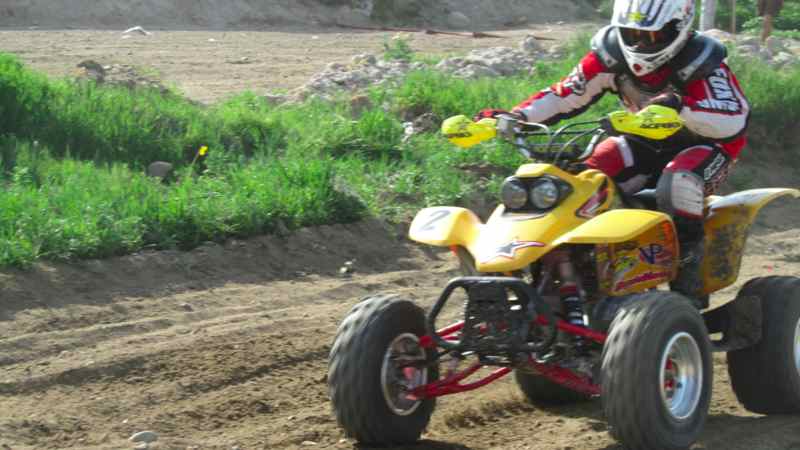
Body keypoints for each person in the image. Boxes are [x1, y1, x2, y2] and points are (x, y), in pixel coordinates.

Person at [476, 0, 750, 302]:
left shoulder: (702, 60)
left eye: (652, 36)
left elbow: (733, 117)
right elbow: (565, 94)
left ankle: (688, 288)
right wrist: (516, 117)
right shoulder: (609, 55)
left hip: (706, 144)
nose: (640, 44)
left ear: (679, 28)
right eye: (631, 34)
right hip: (642, 139)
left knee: (679, 184)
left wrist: (679, 107)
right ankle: (583, 270)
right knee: (582, 179)